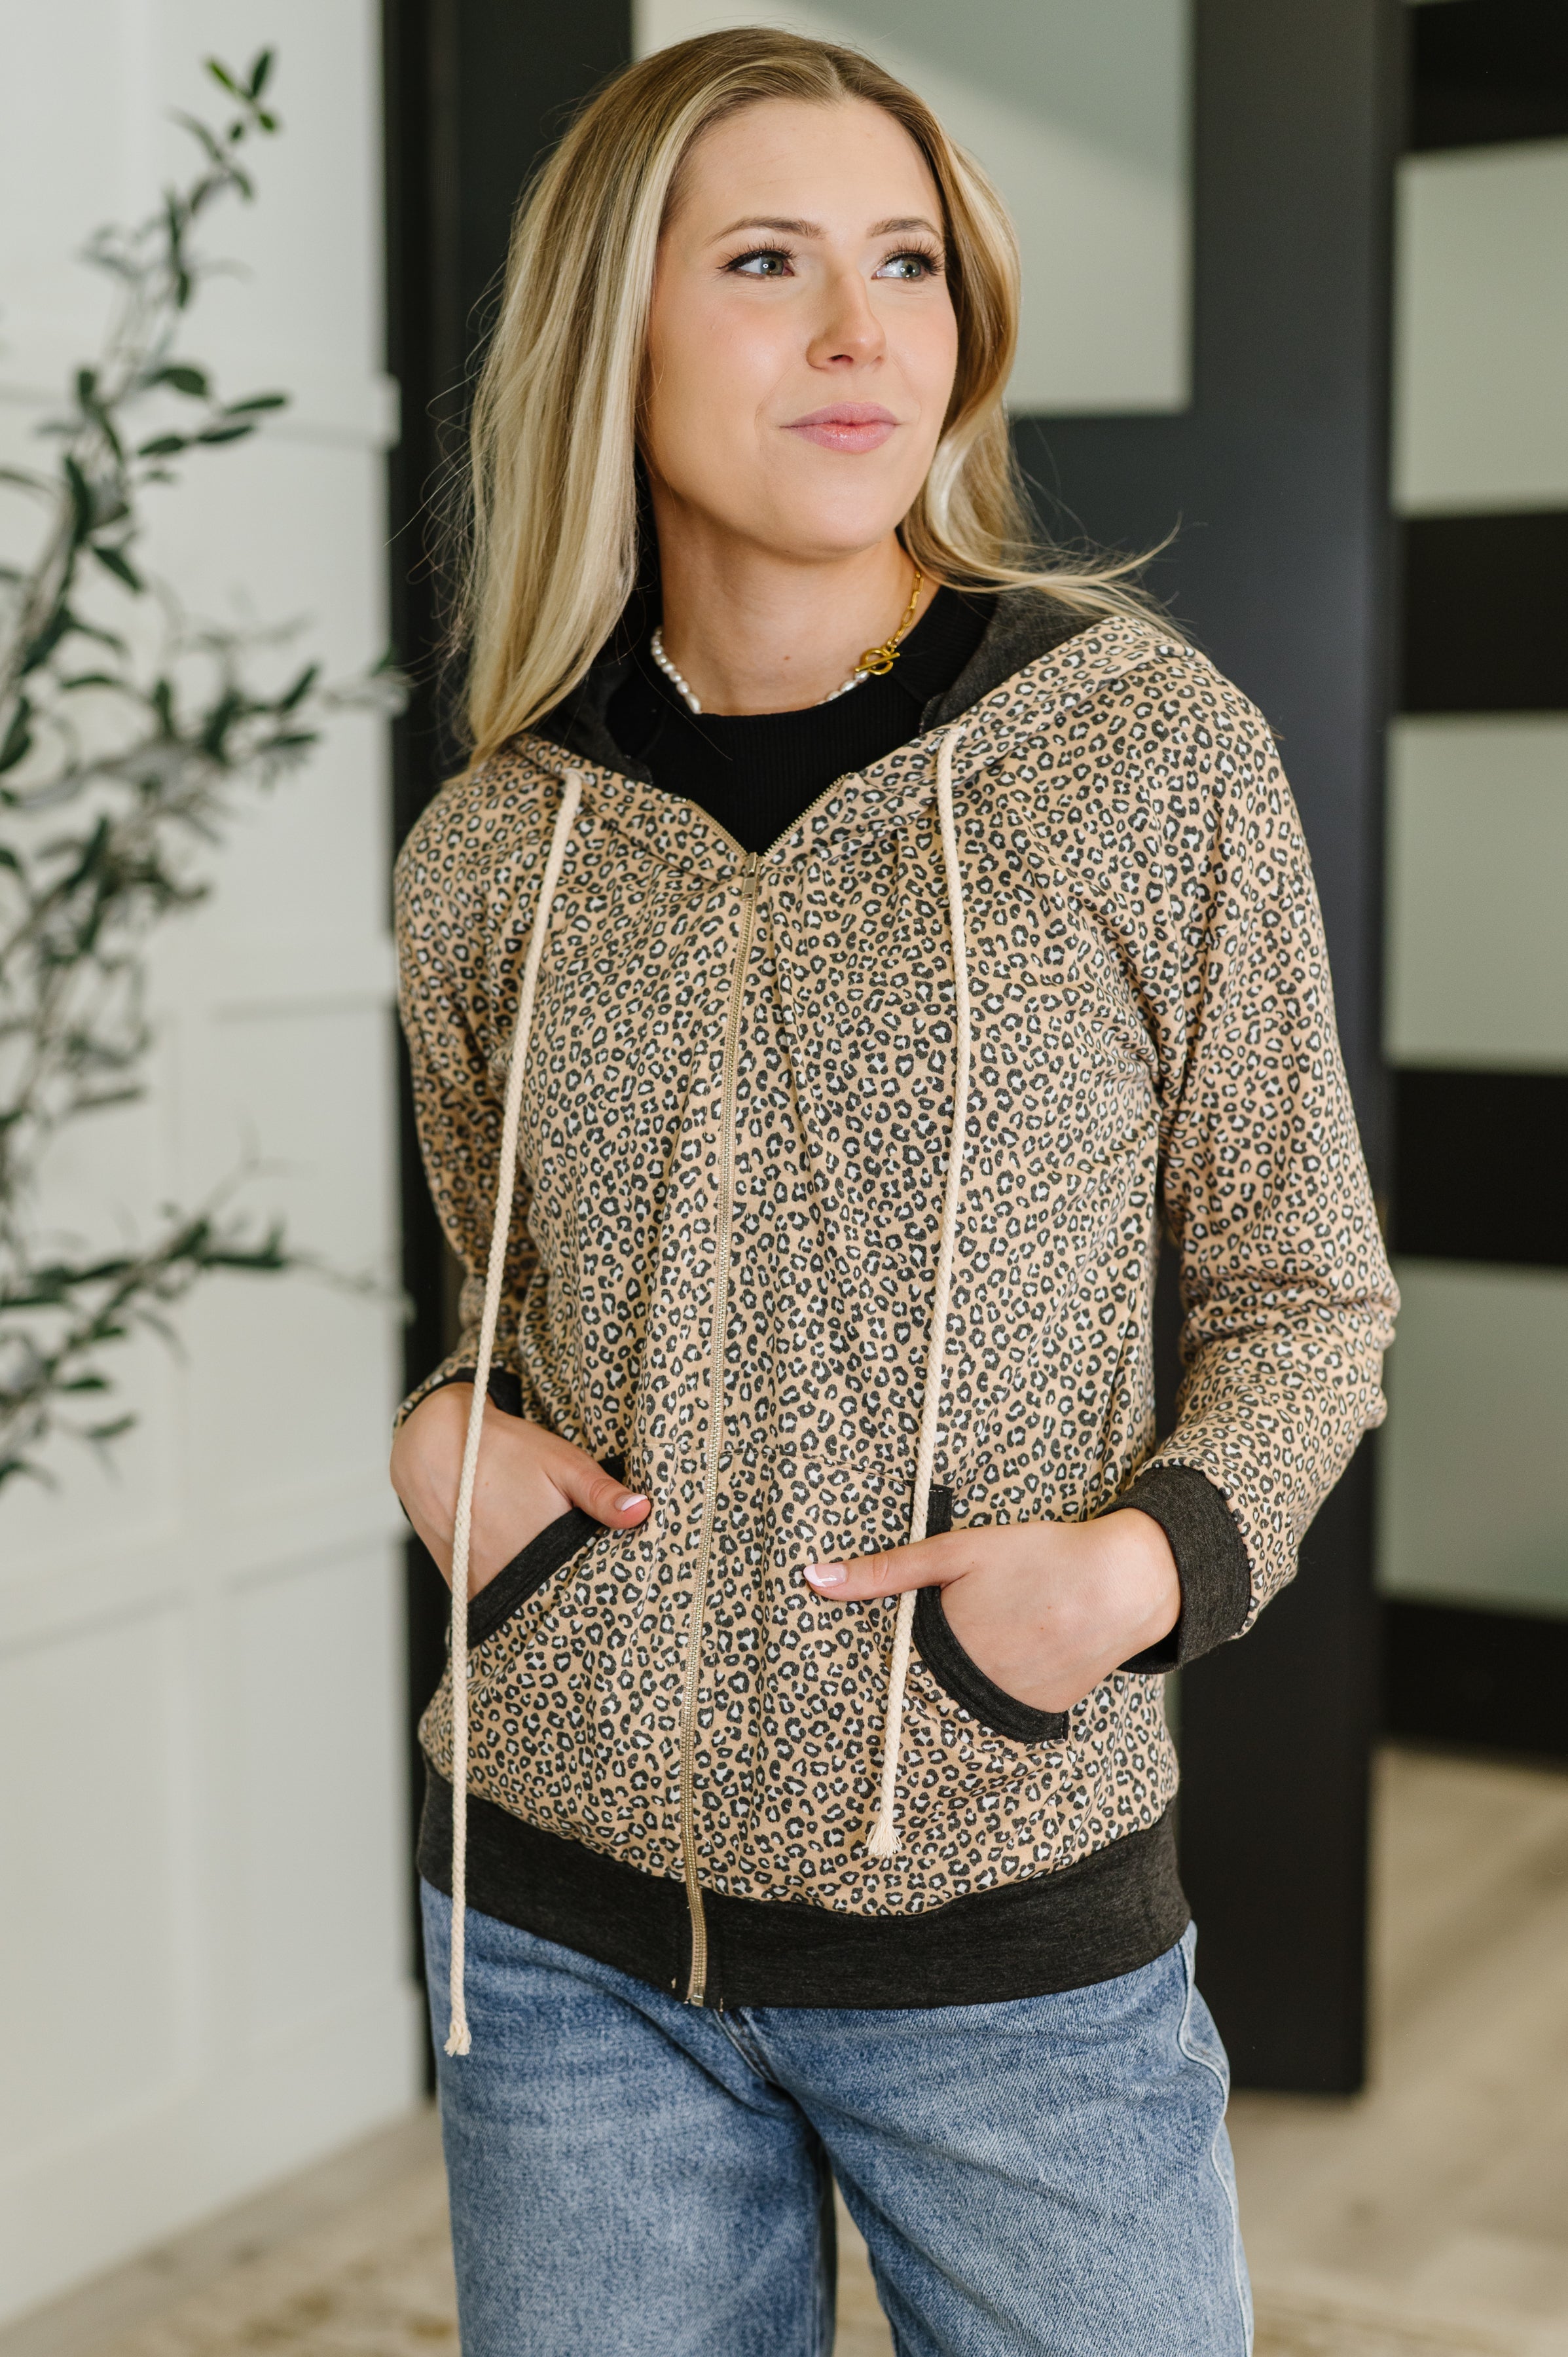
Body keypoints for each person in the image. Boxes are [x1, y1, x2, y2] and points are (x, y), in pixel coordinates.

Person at [390, 27, 1396, 2357]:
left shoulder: (1142, 755)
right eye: (768, 263)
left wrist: (1134, 1578)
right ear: (614, 325)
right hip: (552, 1949)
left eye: (908, 263)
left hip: (1005, 1944)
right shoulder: (494, 845)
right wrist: (444, 1436)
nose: (862, 331)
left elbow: (1304, 1290)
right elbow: (513, 1293)